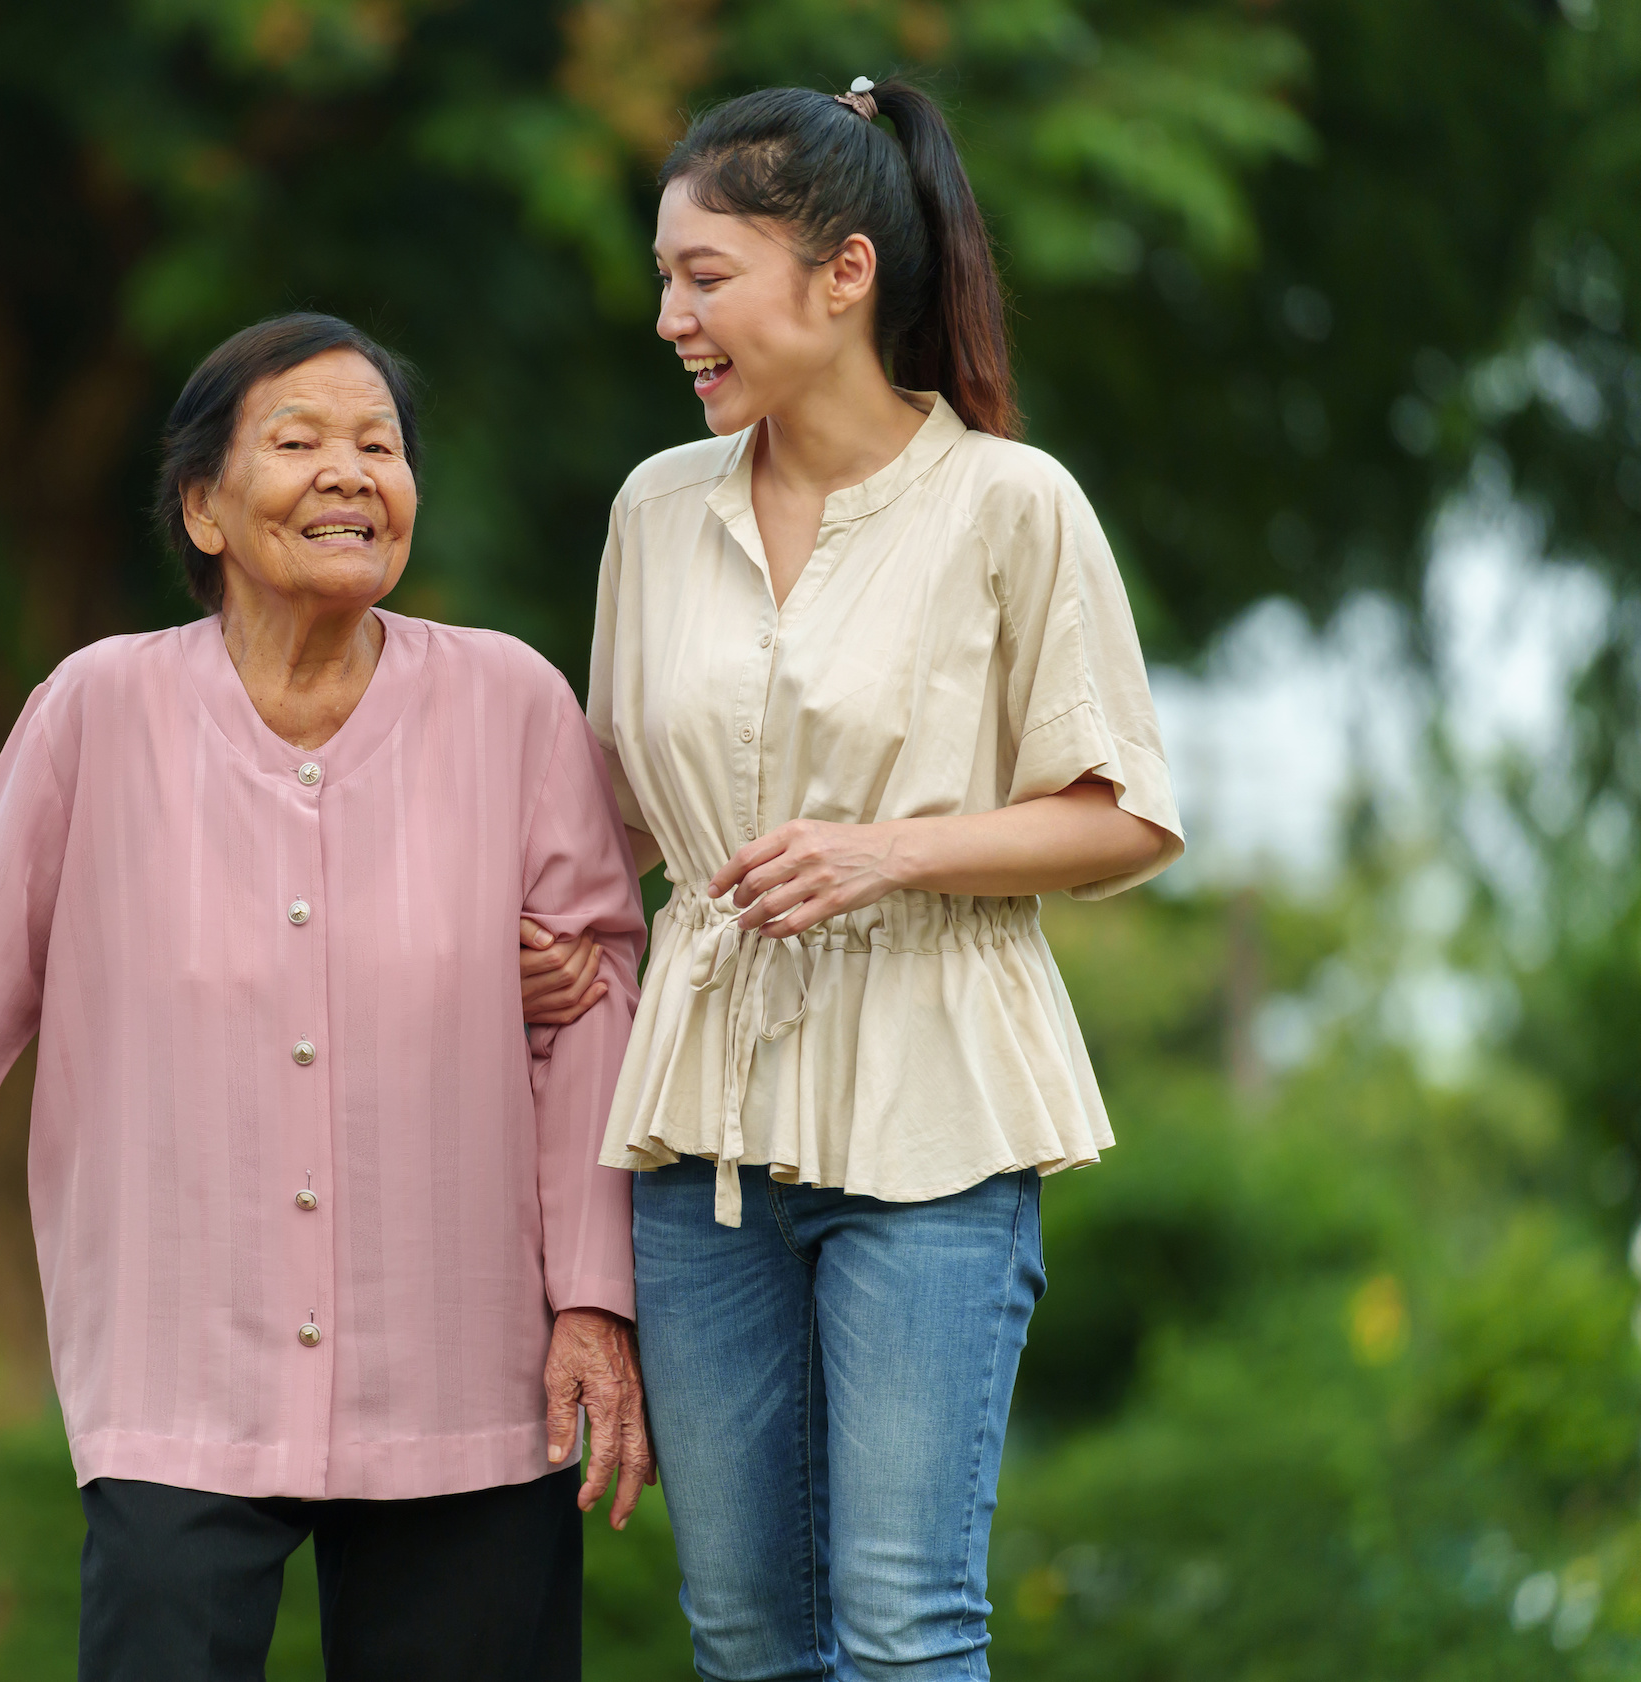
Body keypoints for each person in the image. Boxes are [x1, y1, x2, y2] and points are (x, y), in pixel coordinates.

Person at [0, 313, 653, 1682]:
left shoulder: (511, 706)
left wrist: (593, 1302)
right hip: (179, 1373)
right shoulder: (97, 711)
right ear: (201, 506)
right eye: (299, 441)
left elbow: (595, 1003)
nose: (349, 473)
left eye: (380, 445)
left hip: (466, 1373)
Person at [539, 78, 1185, 1681]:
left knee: (903, 1627)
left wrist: (887, 848)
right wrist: (560, 939)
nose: (672, 316)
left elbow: (1127, 815)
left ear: (844, 275)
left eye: (707, 276)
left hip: (936, 1121)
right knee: (744, 1633)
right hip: (703, 1138)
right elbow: (614, 812)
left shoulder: (1008, 505)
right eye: (665, 277)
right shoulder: (652, 510)